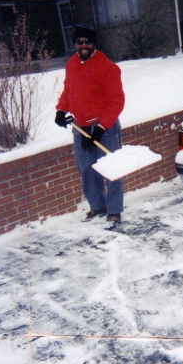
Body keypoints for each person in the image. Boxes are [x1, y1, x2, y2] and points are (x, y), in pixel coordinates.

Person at [54, 24, 125, 225]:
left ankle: (114, 209)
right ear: (75, 44)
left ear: (94, 44)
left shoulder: (108, 67)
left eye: (88, 41)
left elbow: (116, 101)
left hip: (105, 127)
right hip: (81, 127)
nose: (84, 45)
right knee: (87, 170)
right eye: (80, 41)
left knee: (111, 169)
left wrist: (102, 128)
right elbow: (69, 91)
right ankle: (97, 206)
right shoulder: (71, 65)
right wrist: (61, 110)